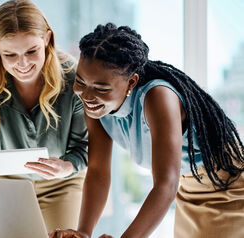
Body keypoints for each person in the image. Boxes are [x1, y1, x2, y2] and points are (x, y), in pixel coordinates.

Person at [49, 23, 244, 238]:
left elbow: (165, 185)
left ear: (131, 81)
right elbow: (97, 172)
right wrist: (83, 232)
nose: (86, 95)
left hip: (227, 185)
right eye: (80, 81)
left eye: (101, 87)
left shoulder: (158, 97)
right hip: (188, 187)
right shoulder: (95, 106)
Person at [0, 0, 88, 232]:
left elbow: (84, 146)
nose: (23, 64)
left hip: (62, 183)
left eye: (32, 51)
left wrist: (67, 166)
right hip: (8, 183)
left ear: (48, 39)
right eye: (10, 54)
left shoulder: (74, 79)